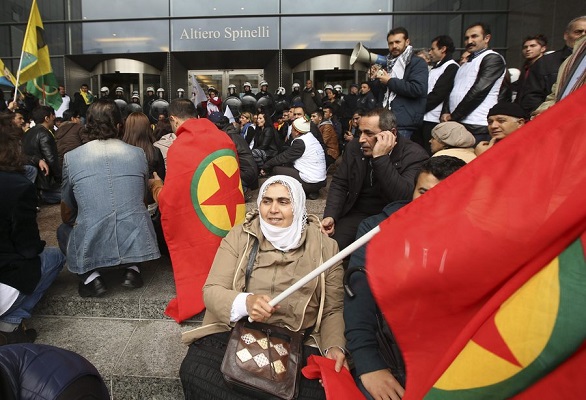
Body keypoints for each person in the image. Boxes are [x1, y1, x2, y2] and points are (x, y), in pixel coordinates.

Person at [179, 175, 346, 400]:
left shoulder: (326, 248)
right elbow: (212, 290)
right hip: (239, 331)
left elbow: (333, 310)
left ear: (298, 205)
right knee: (196, 371)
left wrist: (334, 347)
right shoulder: (240, 236)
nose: (273, 210)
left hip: (298, 341)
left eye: (283, 202)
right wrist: (245, 302)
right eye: (267, 201)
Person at [343, 156, 466, 400]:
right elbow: (359, 300)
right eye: (423, 191)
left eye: (444, 194)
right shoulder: (376, 230)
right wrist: (368, 364)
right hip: (388, 350)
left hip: (449, 357)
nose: (431, 202)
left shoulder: (475, 236)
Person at [57, 99, 160, 298]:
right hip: (135, 239)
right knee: (134, 216)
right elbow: (142, 199)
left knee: (64, 230)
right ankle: (133, 270)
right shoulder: (138, 154)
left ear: (88, 125)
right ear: (119, 125)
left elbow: (67, 208)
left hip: (91, 240)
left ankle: (91, 278)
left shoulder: (72, 157)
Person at [321, 108, 429, 250]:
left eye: (369, 133)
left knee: (369, 255)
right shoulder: (354, 147)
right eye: (360, 132)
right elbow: (340, 183)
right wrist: (331, 215)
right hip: (357, 214)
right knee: (328, 248)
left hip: (391, 218)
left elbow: (403, 197)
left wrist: (381, 158)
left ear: (392, 134)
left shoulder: (414, 155)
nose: (361, 139)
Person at [0, 128, 65, 345]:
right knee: (55, 256)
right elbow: (29, 248)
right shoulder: (16, 185)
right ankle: (11, 324)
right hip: (5, 280)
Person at [441, 22, 507, 143]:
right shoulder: (465, 64)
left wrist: (453, 116)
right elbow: (452, 90)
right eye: (466, 38)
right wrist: (446, 112)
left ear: (487, 38)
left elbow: (479, 91)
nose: (469, 41)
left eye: (474, 36)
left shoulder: (492, 58)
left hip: (477, 125)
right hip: (459, 123)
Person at [369, 27, 429, 139]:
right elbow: (380, 94)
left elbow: (417, 89)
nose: (394, 46)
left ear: (407, 42)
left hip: (404, 122)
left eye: (397, 42)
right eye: (391, 43)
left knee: (399, 155)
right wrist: (374, 79)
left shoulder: (417, 62)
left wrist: (390, 81)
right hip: (386, 120)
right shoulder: (387, 63)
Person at [520, 16, 586, 115]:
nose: (583, 35)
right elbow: (531, 98)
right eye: (578, 32)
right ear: (566, 35)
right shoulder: (545, 62)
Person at [261, 118, 327, 200]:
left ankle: (303, 190)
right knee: (288, 165)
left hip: (310, 182)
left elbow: (283, 158)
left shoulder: (300, 142)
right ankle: (312, 191)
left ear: (297, 131)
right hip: (320, 181)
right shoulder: (310, 137)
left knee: (275, 169)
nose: (291, 131)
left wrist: (266, 166)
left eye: (292, 129)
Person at [417, 35, 459, 155]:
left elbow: (438, 94)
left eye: (432, 49)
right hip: (425, 117)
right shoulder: (437, 66)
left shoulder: (451, 67)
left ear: (443, 49)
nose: (430, 52)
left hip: (433, 120)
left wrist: (419, 108)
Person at [532, 34, 586, 116]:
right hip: (566, 120)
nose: (583, 33)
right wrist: (541, 114)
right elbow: (556, 95)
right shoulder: (572, 59)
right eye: (578, 31)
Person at [21, 106, 61, 204]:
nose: (54, 118)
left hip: (35, 181)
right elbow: (51, 160)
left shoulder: (27, 133)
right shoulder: (45, 134)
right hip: (44, 182)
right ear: (47, 118)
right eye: (52, 115)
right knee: (70, 194)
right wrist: (60, 178)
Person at [513, 34, 548, 107]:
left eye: (533, 46)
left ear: (543, 48)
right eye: (525, 47)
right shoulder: (526, 67)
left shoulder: (547, 67)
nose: (528, 49)